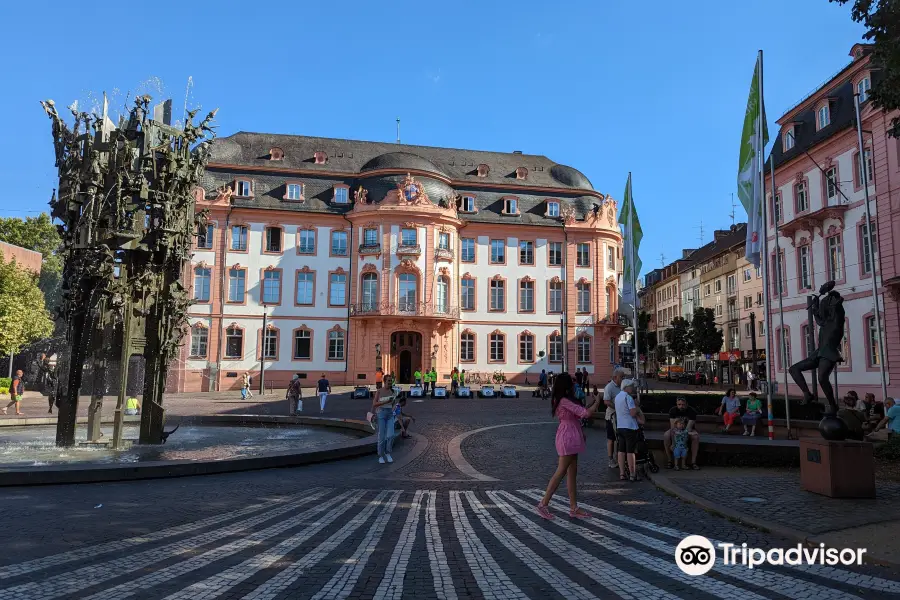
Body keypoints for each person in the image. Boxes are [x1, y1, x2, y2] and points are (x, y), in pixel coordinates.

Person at [536, 372, 602, 520]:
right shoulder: (564, 400)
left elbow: (578, 413)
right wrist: (597, 402)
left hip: (571, 434)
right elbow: (585, 414)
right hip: (568, 436)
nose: (574, 384)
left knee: (572, 472)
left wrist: (591, 403)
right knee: (561, 471)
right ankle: (543, 503)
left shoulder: (561, 399)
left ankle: (573, 507)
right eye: (571, 382)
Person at [615, 379, 643, 481]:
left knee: (621, 451)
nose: (632, 388)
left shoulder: (618, 397)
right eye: (631, 386)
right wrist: (637, 407)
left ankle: (622, 473)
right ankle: (632, 474)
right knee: (630, 451)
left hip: (620, 426)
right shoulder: (628, 397)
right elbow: (632, 413)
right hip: (630, 427)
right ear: (627, 387)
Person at [664, 396, 700, 469]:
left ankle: (693, 462)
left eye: (683, 404)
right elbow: (673, 428)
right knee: (666, 435)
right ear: (676, 404)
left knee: (696, 437)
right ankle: (669, 461)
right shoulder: (673, 410)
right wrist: (674, 443)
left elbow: (688, 428)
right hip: (676, 430)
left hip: (688, 430)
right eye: (679, 404)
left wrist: (683, 442)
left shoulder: (692, 411)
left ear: (686, 404)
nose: (681, 406)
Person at [603, 367, 626, 469]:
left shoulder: (622, 386)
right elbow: (606, 402)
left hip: (621, 417)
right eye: (622, 377)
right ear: (615, 377)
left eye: (623, 377)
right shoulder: (609, 387)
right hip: (611, 417)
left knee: (620, 439)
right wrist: (618, 407)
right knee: (611, 439)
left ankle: (619, 458)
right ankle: (610, 459)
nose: (623, 379)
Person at [371, 375, 397, 463]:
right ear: (384, 381)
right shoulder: (379, 391)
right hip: (381, 413)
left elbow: (394, 404)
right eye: (389, 381)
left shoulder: (393, 391)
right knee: (381, 436)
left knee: (391, 435)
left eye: (391, 381)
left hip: (390, 413)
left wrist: (393, 408)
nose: (390, 382)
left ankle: (388, 452)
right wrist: (386, 401)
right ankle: (381, 455)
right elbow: (374, 403)